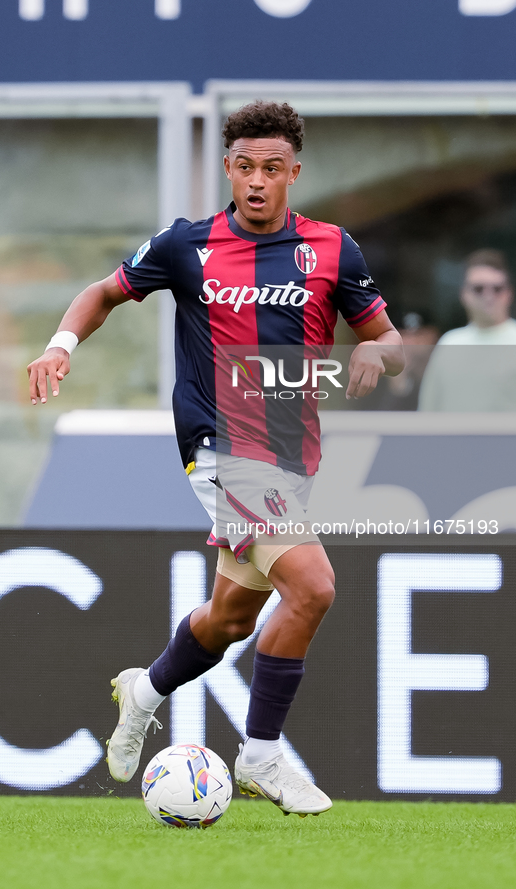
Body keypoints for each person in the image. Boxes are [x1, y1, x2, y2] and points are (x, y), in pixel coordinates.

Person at [28, 102, 404, 816]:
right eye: (243, 167)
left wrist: (375, 358)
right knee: (314, 585)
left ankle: (143, 690)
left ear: (293, 172)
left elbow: (383, 336)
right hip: (219, 448)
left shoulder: (331, 248)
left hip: (291, 456)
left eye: (271, 168)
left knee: (229, 619)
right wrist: (59, 346)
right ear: (227, 168)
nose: (256, 181)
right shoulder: (186, 246)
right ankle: (259, 752)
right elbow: (103, 293)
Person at [419, 249, 516, 411]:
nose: (489, 296)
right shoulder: (449, 343)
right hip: (452, 436)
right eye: (479, 289)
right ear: (463, 294)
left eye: (497, 288)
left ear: (509, 293)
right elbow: (428, 410)